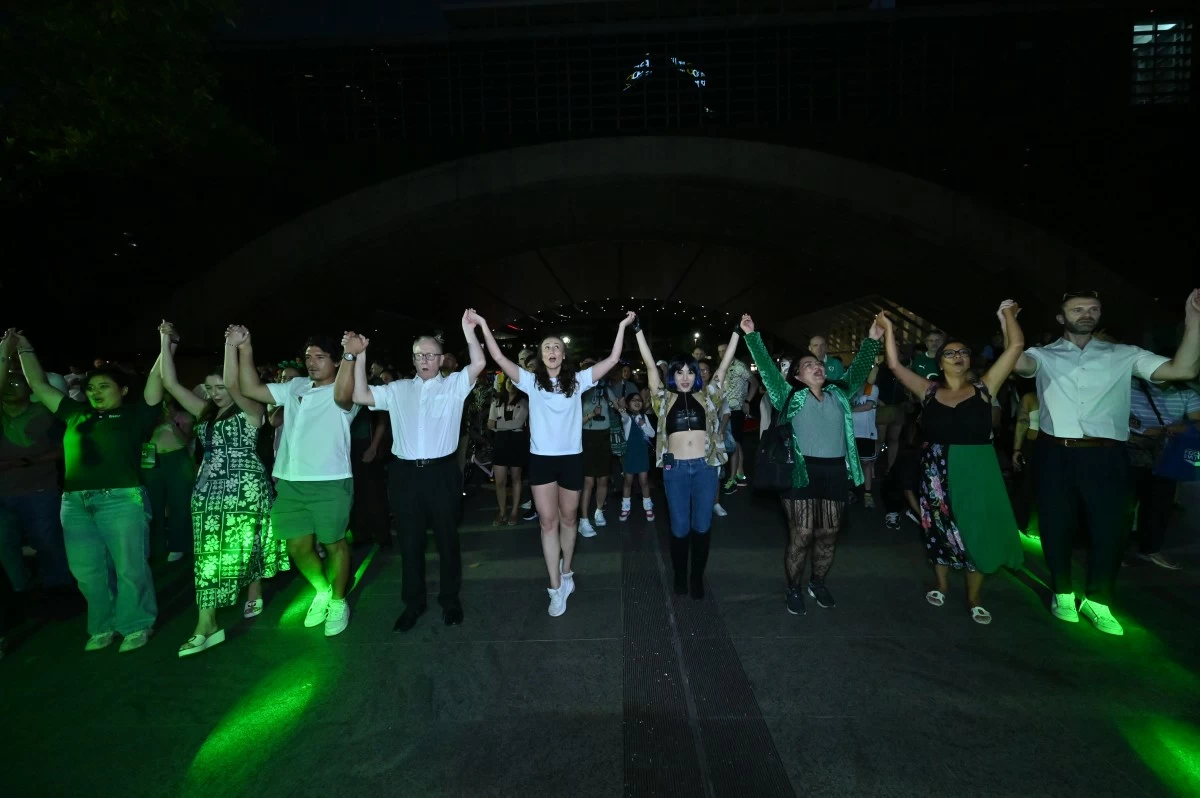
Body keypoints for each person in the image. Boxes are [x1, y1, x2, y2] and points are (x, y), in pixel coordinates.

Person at [1014, 289, 1200, 635]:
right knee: (1056, 524)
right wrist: (1009, 321)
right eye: (1077, 309)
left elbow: (1182, 368)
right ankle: (1063, 591)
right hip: (1055, 451)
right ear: (1061, 317)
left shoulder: (1123, 354)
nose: (1086, 314)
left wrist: (1193, 319)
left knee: (1111, 529)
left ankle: (1098, 600)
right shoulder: (1042, 355)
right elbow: (1016, 361)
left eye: (1093, 309)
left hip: (1107, 453)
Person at [10, 328, 163, 653]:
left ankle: (136, 623)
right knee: (87, 571)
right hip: (75, 503)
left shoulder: (136, 414)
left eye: (104, 386)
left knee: (129, 566)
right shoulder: (75, 414)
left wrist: (166, 344)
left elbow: (156, 380)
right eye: (91, 387)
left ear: (122, 389)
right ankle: (103, 625)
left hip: (121, 499)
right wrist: (25, 350)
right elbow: (38, 384)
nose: (95, 392)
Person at [476, 311, 636, 617]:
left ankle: (567, 573)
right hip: (541, 461)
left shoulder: (578, 381)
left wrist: (621, 327)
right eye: (546, 347)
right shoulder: (530, 383)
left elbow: (614, 359)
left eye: (556, 347)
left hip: (571, 460)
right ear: (540, 355)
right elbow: (497, 355)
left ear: (564, 355)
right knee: (547, 523)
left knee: (569, 519)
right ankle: (554, 588)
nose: (551, 351)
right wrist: (484, 325)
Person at [880, 304, 1026, 624]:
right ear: (939, 362)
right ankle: (942, 584)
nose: (958, 356)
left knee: (978, 528)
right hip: (937, 469)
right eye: (950, 353)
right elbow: (893, 364)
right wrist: (888, 329)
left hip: (977, 469)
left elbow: (1015, 346)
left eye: (963, 352)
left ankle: (974, 595)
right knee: (940, 527)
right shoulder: (928, 391)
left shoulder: (985, 387)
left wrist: (1008, 316)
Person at [345, 312, 485, 631]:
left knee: (448, 541)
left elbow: (477, 364)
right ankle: (413, 603)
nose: (425, 359)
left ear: (440, 359)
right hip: (405, 475)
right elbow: (359, 395)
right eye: (419, 354)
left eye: (430, 355)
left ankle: (450, 601)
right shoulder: (398, 389)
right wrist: (361, 355)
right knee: (410, 544)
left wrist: (467, 332)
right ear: (413, 358)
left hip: (442, 473)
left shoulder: (453, 386)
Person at [156, 323, 287, 656]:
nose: (216, 392)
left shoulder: (252, 410)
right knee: (207, 558)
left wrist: (232, 345)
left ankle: (252, 590)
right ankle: (207, 623)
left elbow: (233, 381)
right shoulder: (204, 413)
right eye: (210, 387)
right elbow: (169, 382)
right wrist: (165, 340)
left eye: (220, 387)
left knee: (245, 546)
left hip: (245, 488)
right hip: (207, 490)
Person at [742, 315, 883, 616]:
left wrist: (872, 340)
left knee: (829, 533)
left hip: (834, 471)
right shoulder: (788, 395)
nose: (817, 367)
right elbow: (767, 370)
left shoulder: (838, 394)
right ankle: (793, 587)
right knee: (802, 533)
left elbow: (858, 370)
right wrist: (752, 336)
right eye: (808, 365)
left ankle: (817, 582)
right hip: (800, 472)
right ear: (797, 376)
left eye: (817, 364)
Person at [231, 327, 359, 637]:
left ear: (336, 361)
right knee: (298, 547)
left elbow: (344, 396)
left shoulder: (348, 390)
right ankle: (323, 590)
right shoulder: (297, 385)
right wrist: (246, 348)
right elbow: (250, 388)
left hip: (330, 480)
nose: (312, 363)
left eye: (320, 357)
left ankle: (339, 601)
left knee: (334, 543)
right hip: (289, 481)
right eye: (308, 357)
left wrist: (351, 355)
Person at [634, 318, 741, 598]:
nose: (684, 376)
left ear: (696, 375)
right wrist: (638, 331)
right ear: (672, 375)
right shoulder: (662, 399)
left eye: (689, 372)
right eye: (678, 372)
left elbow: (724, 366)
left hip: (705, 468)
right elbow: (648, 365)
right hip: (675, 470)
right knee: (680, 527)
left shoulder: (709, 397)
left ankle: (697, 577)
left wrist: (736, 333)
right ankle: (680, 576)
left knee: (702, 526)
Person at [0, 342, 71, 610]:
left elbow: (63, 450)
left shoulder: (44, 414)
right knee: (5, 546)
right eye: (7, 382)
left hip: (39, 491)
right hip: (3, 495)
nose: (11, 387)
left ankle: (60, 590)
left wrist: (26, 460)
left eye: (18, 383)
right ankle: (21, 593)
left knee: (47, 542)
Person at [1125, 377, 1200, 570]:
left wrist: (1168, 428)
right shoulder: (1131, 386)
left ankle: (1150, 549)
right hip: (1130, 451)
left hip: (1166, 454)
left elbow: (1198, 423)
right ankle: (1117, 551)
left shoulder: (1187, 393)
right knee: (1123, 505)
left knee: (1160, 505)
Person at [140, 396, 195, 563]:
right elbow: (144, 441)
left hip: (177, 460)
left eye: (167, 404)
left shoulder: (185, 417)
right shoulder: (149, 419)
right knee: (153, 504)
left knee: (179, 503)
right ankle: (156, 546)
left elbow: (185, 441)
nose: (165, 407)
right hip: (152, 459)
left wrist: (171, 423)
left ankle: (178, 545)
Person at [487, 374, 529, 526]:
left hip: (517, 442)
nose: (511, 384)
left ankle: (514, 511)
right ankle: (502, 511)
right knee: (500, 481)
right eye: (508, 382)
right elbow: (490, 424)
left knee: (516, 478)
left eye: (514, 382)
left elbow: (518, 423)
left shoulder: (524, 402)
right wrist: (506, 425)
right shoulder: (496, 402)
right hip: (501, 442)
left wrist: (500, 424)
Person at [617, 392, 655, 522]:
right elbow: (624, 417)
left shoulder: (644, 417)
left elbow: (652, 434)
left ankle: (648, 508)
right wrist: (621, 409)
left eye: (639, 400)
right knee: (628, 481)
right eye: (633, 400)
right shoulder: (627, 418)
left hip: (642, 453)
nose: (637, 402)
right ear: (628, 404)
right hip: (630, 453)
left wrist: (643, 424)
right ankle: (625, 508)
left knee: (644, 481)